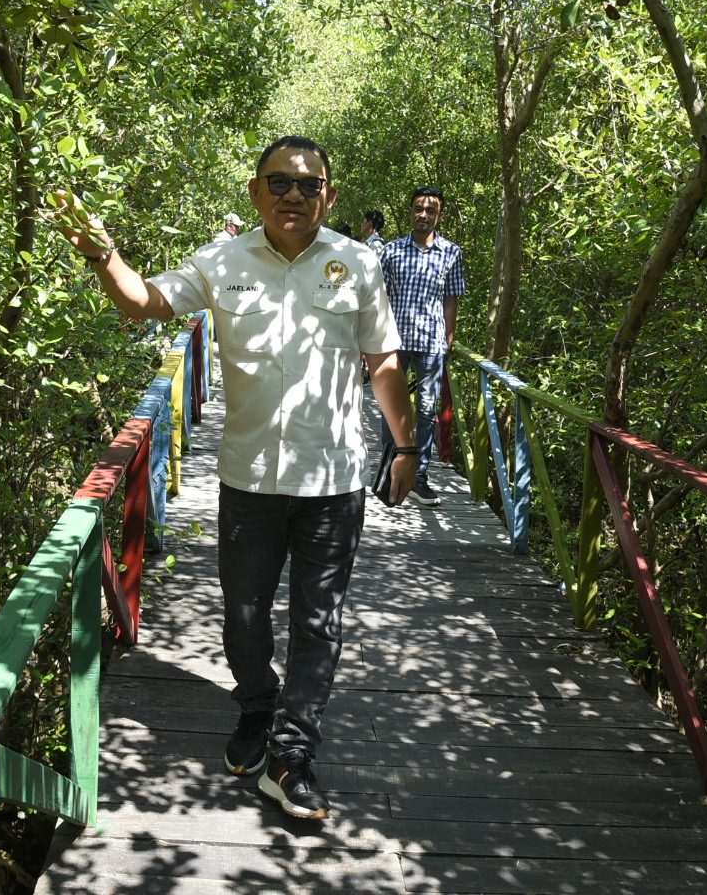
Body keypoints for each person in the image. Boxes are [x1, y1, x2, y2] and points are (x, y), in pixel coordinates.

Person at [48, 136, 419, 822]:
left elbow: (383, 358)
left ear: (329, 196)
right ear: (255, 192)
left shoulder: (358, 262)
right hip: (248, 478)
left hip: (332, 482)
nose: (293, 196)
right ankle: (256, 707)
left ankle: (292, 753)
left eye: (309, 186)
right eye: (279, 182)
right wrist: (102, 253)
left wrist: (406, 445)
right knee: (244, 616)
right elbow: (146, 303)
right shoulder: (222, 260)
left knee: (320, 621)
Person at [376, 186, 465, 507]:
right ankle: (389, 469)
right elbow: (378, 298)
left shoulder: (452, 253)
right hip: (393, 342)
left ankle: (419, 476)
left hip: (431, 344)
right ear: (410, 211)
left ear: (439, 215)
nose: (423, 215)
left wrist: (449, 338)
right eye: (418, 209)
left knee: (427, 411)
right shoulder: (391, 251)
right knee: (391, 407)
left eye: (430, 210)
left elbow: (451, 299)